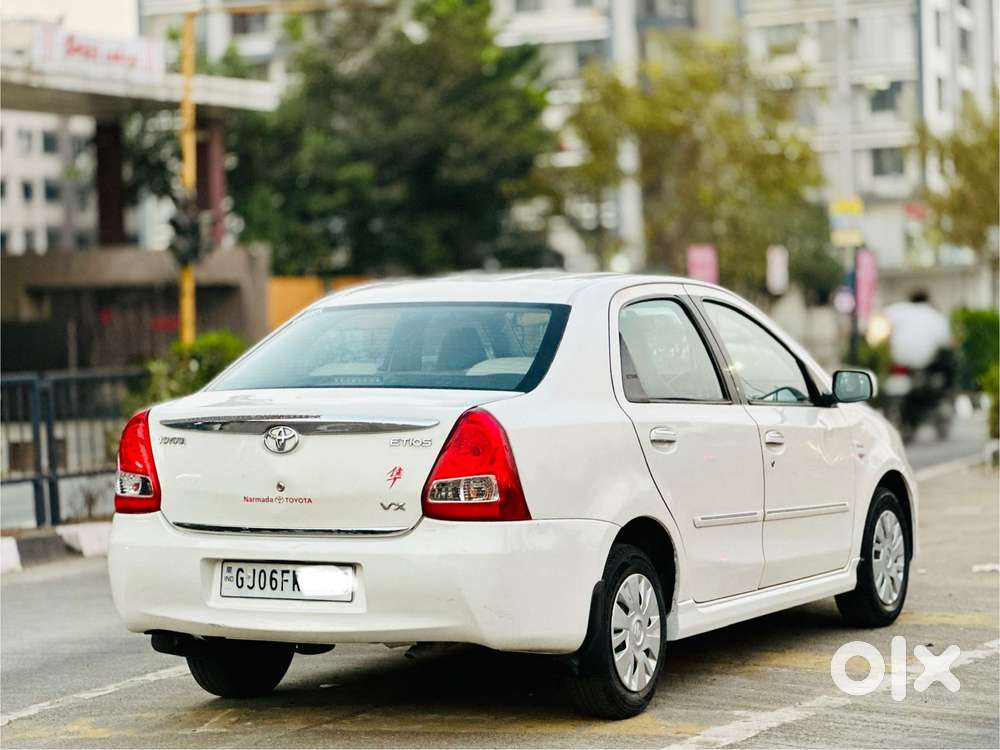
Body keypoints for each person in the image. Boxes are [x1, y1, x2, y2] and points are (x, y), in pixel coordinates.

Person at [883, 290, 952, 371]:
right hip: (926, 360)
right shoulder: (935, 314)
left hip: (898, 358)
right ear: (927, 300)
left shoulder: (897, 309)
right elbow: (944, 341)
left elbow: (881, 324)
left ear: (910, 299)